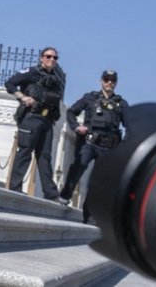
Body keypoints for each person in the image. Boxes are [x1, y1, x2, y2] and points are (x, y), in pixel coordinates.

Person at [60, 69, 128, 217]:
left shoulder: (121, 103)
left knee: (98, 180)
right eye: (106, 79)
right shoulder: (90, 97)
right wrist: (76, 127)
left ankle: (88, 213)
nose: (109, 82)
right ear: (101, 81)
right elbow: (71, 112)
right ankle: (65, 195)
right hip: (89, 141)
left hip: (109, 145)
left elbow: (130, 124)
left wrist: (125, 144)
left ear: (116, 83)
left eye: (112, 80)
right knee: (80, 165)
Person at [5, 47, 67, 200]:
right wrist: (22, 97)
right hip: (31, 118)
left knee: (45, 157)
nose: (51, 59)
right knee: (25, 152)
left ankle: (51, 193)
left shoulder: (56, 79)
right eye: (48, 56)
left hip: (47, 121)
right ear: (41, 58)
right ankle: (15, 188)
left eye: (55, 57)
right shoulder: (32, 72)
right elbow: (10, 84)